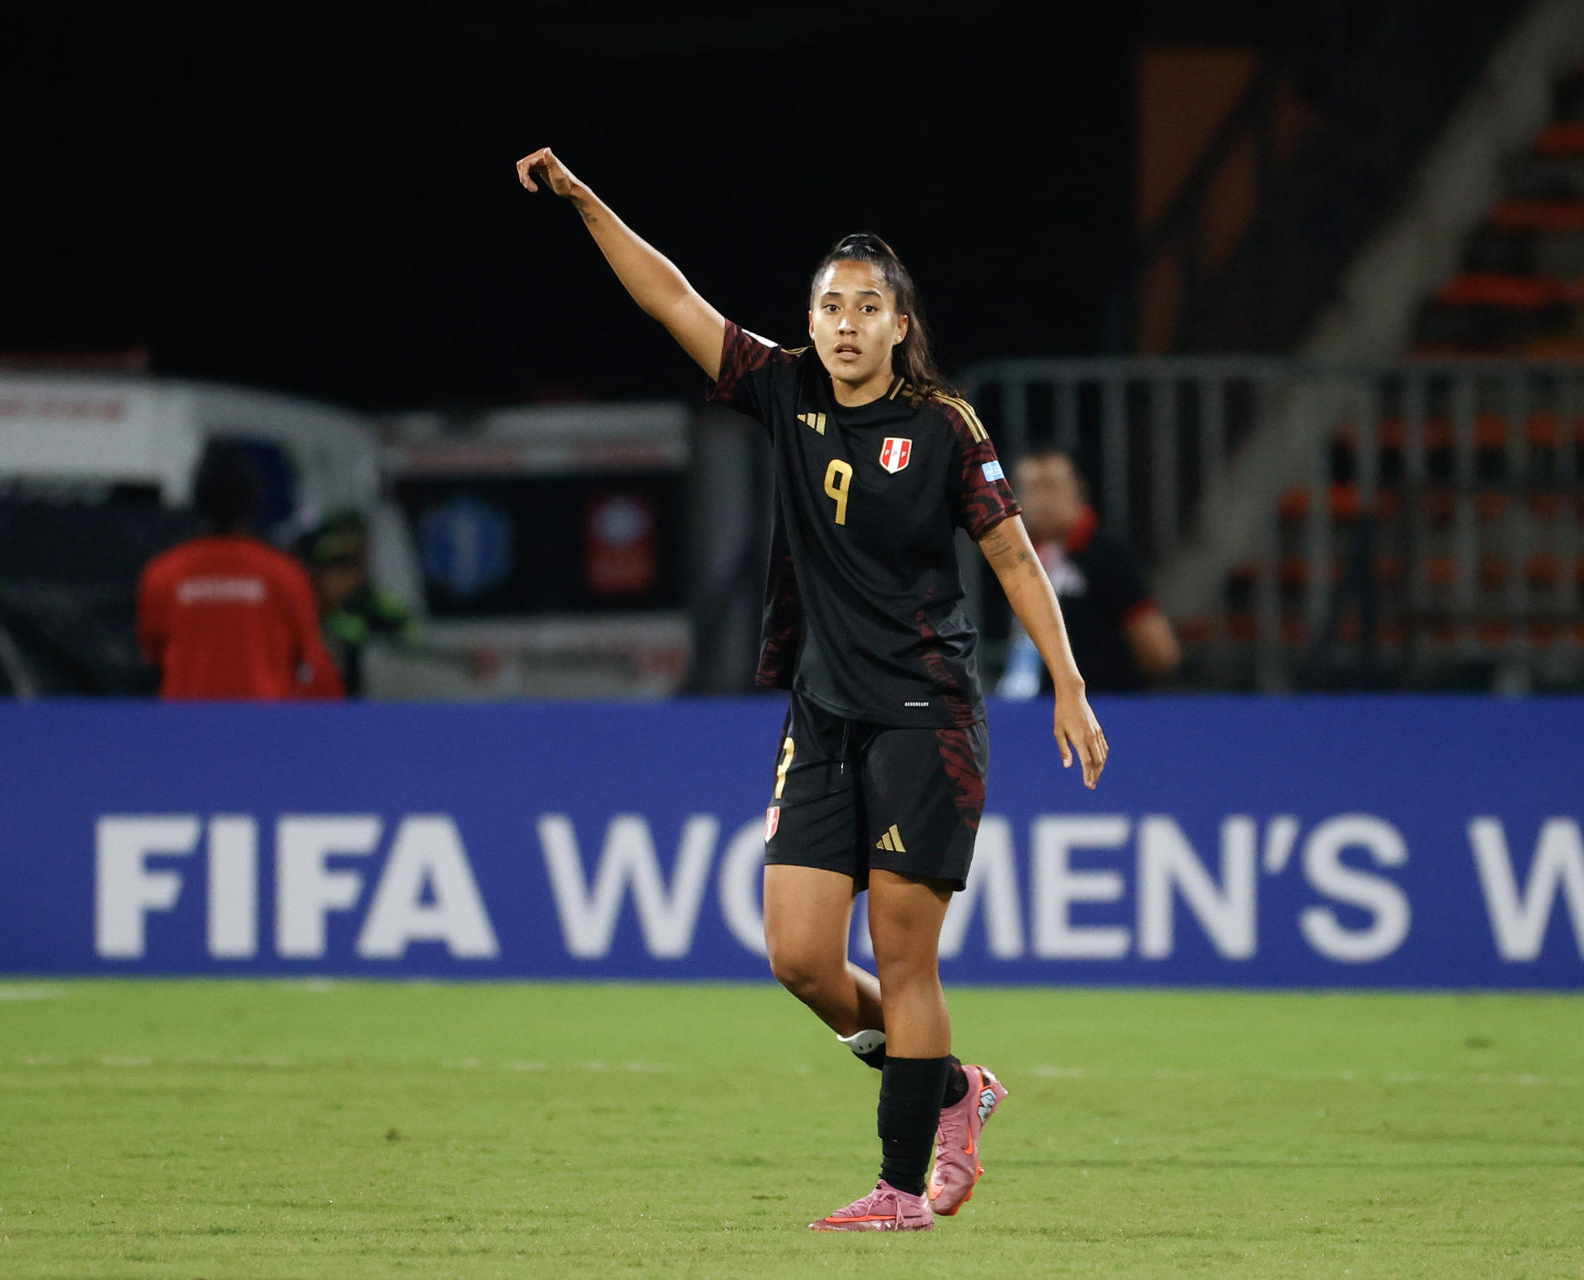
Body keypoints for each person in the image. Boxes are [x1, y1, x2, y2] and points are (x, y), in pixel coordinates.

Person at [517, 147, 1108, 1231]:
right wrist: (589, 204)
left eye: (865, 306)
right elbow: (672, 300)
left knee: (899, 951)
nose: (843, 322)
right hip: (825, 711)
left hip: (926, 714)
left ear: (897, 326)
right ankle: (952, 1088)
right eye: (828, 304)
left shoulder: (943, 425)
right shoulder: (785, 389)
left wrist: (1067, 683)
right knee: (796, 954)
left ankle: (900, 1188)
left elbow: (1018, 558)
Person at [137, 444, 345, 700]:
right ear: (253, 500)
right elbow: (311, 661)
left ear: (198, 500)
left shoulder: (163, 573)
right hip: (264, 729)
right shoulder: (284, 573)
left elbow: (152, 652)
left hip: (187, 728)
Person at [996, 451, 1181, 697]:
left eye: (1051, 486)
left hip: (1104, 708)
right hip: (1034, 712)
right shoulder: (1010, 557)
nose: (1041, 501)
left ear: (1079, 490)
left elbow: (1159, 652)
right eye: (1030, 488)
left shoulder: (1110, 555)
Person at [300, 509, 413, 697]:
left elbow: (413, 642)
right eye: (338, 564)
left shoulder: (385, 611)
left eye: (354, 563)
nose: (345, 577)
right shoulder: (301, 612)